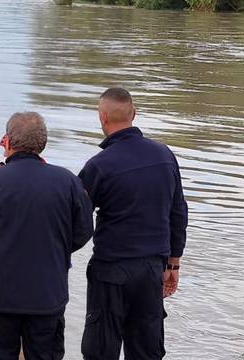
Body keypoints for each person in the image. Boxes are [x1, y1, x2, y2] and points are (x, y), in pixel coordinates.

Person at [0, 112, 94, 360]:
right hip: (47, 293)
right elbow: (83, 232)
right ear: (43, 144)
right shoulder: (68, 182)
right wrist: (54, 249)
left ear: (7, 142)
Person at [78, 87, 188, 360]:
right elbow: (178, 212)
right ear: (134, 114)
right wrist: (173, 263)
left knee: (101, 350)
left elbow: (76, 221)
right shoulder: (164, 156)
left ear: (102, 117)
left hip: (111, 270)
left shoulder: (99, 165)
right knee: (147, 351)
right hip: (152, 269)